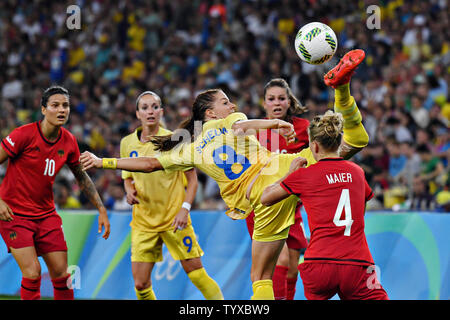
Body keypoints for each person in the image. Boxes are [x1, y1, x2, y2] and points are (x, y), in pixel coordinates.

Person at [80, 49, 370, 300]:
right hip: (285, 167)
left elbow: (148, 164)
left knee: (261, 277)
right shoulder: (231, 119)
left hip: (262, 195)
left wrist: (103, 162)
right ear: (211, 113)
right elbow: (241, 127)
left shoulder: (190, 150)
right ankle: (342, 91)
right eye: (225, 102)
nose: (232, 105)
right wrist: (273, 125)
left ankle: (341, 87)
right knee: (353, 143)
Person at [260, 110, 389, 300]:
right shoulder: (358, 172)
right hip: (357, 263)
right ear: (339, 142)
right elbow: (359, 213)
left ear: (314, 145)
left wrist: (289, 174)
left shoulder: (304, 175)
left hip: (318, 263)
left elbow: (265, 197)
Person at [0, 86, 111, 300]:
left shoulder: (69, 141)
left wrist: (101, 208)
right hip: (15, 216)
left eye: (66, 105)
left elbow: (81, 177)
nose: (62, 110)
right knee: (32, 273)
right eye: (55, 105)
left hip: (46, 216)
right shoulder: (23, 134)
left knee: (62, 275)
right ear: (43, 109)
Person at [121, 91, 223, 300]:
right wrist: (129, 190)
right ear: (138, 113)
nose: (150, 111)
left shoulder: (175, 140)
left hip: (174, 220)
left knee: (197, 275)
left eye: (155, 107)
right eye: (145, 107)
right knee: (141, 284)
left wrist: (184, 209)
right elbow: (127, 176)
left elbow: (193, 181)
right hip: (143, 222)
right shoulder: (127, 143)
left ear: (161, 111)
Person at [246, 78, 310, 300]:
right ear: (264, 103)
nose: (277, 103)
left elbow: (314, 159)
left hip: (292, 207)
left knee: (293, 269)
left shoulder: (303, 129)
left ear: (289, 102)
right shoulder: (254, 131)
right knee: (278, 263)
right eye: (271, 99)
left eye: (281, 98)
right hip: (265, 206)